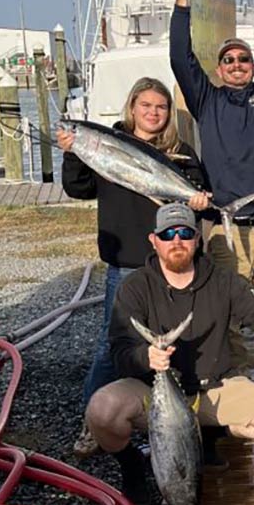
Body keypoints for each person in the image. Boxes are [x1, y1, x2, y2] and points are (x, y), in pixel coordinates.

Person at [85, 202, 254, 505]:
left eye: (185, 233)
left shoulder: (223, 280)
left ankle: (209, 433)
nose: (176, 241)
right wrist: (146, 357)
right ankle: (132, 466)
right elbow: (120, 350)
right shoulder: (135, 287)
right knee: (101, 410)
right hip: (154, 389)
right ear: (154, 240)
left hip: (216, 386)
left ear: (197, 239)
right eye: (168, 234)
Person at [152, 0, 254, 398]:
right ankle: (234, 377)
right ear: (219, 69)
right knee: (223, 307)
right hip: (223, 227)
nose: (236, 64)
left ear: (253, 66)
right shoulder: (206, 100)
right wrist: (181, 3)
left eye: (243, 59)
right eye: (228, 60)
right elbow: (180, 58)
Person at [57, 77, 209, 458]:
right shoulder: (107, 143)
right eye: (146, 105)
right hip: (126, 261)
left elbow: (195, 192)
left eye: (160, 107)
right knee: (114, 344)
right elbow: (79, 189)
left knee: (180, 341)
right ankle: (93, 422)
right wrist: (73, 152)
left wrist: (200, 200)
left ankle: (180, 416)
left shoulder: (181, 153)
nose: (153, 113)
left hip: (173, 263)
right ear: (132, 107)